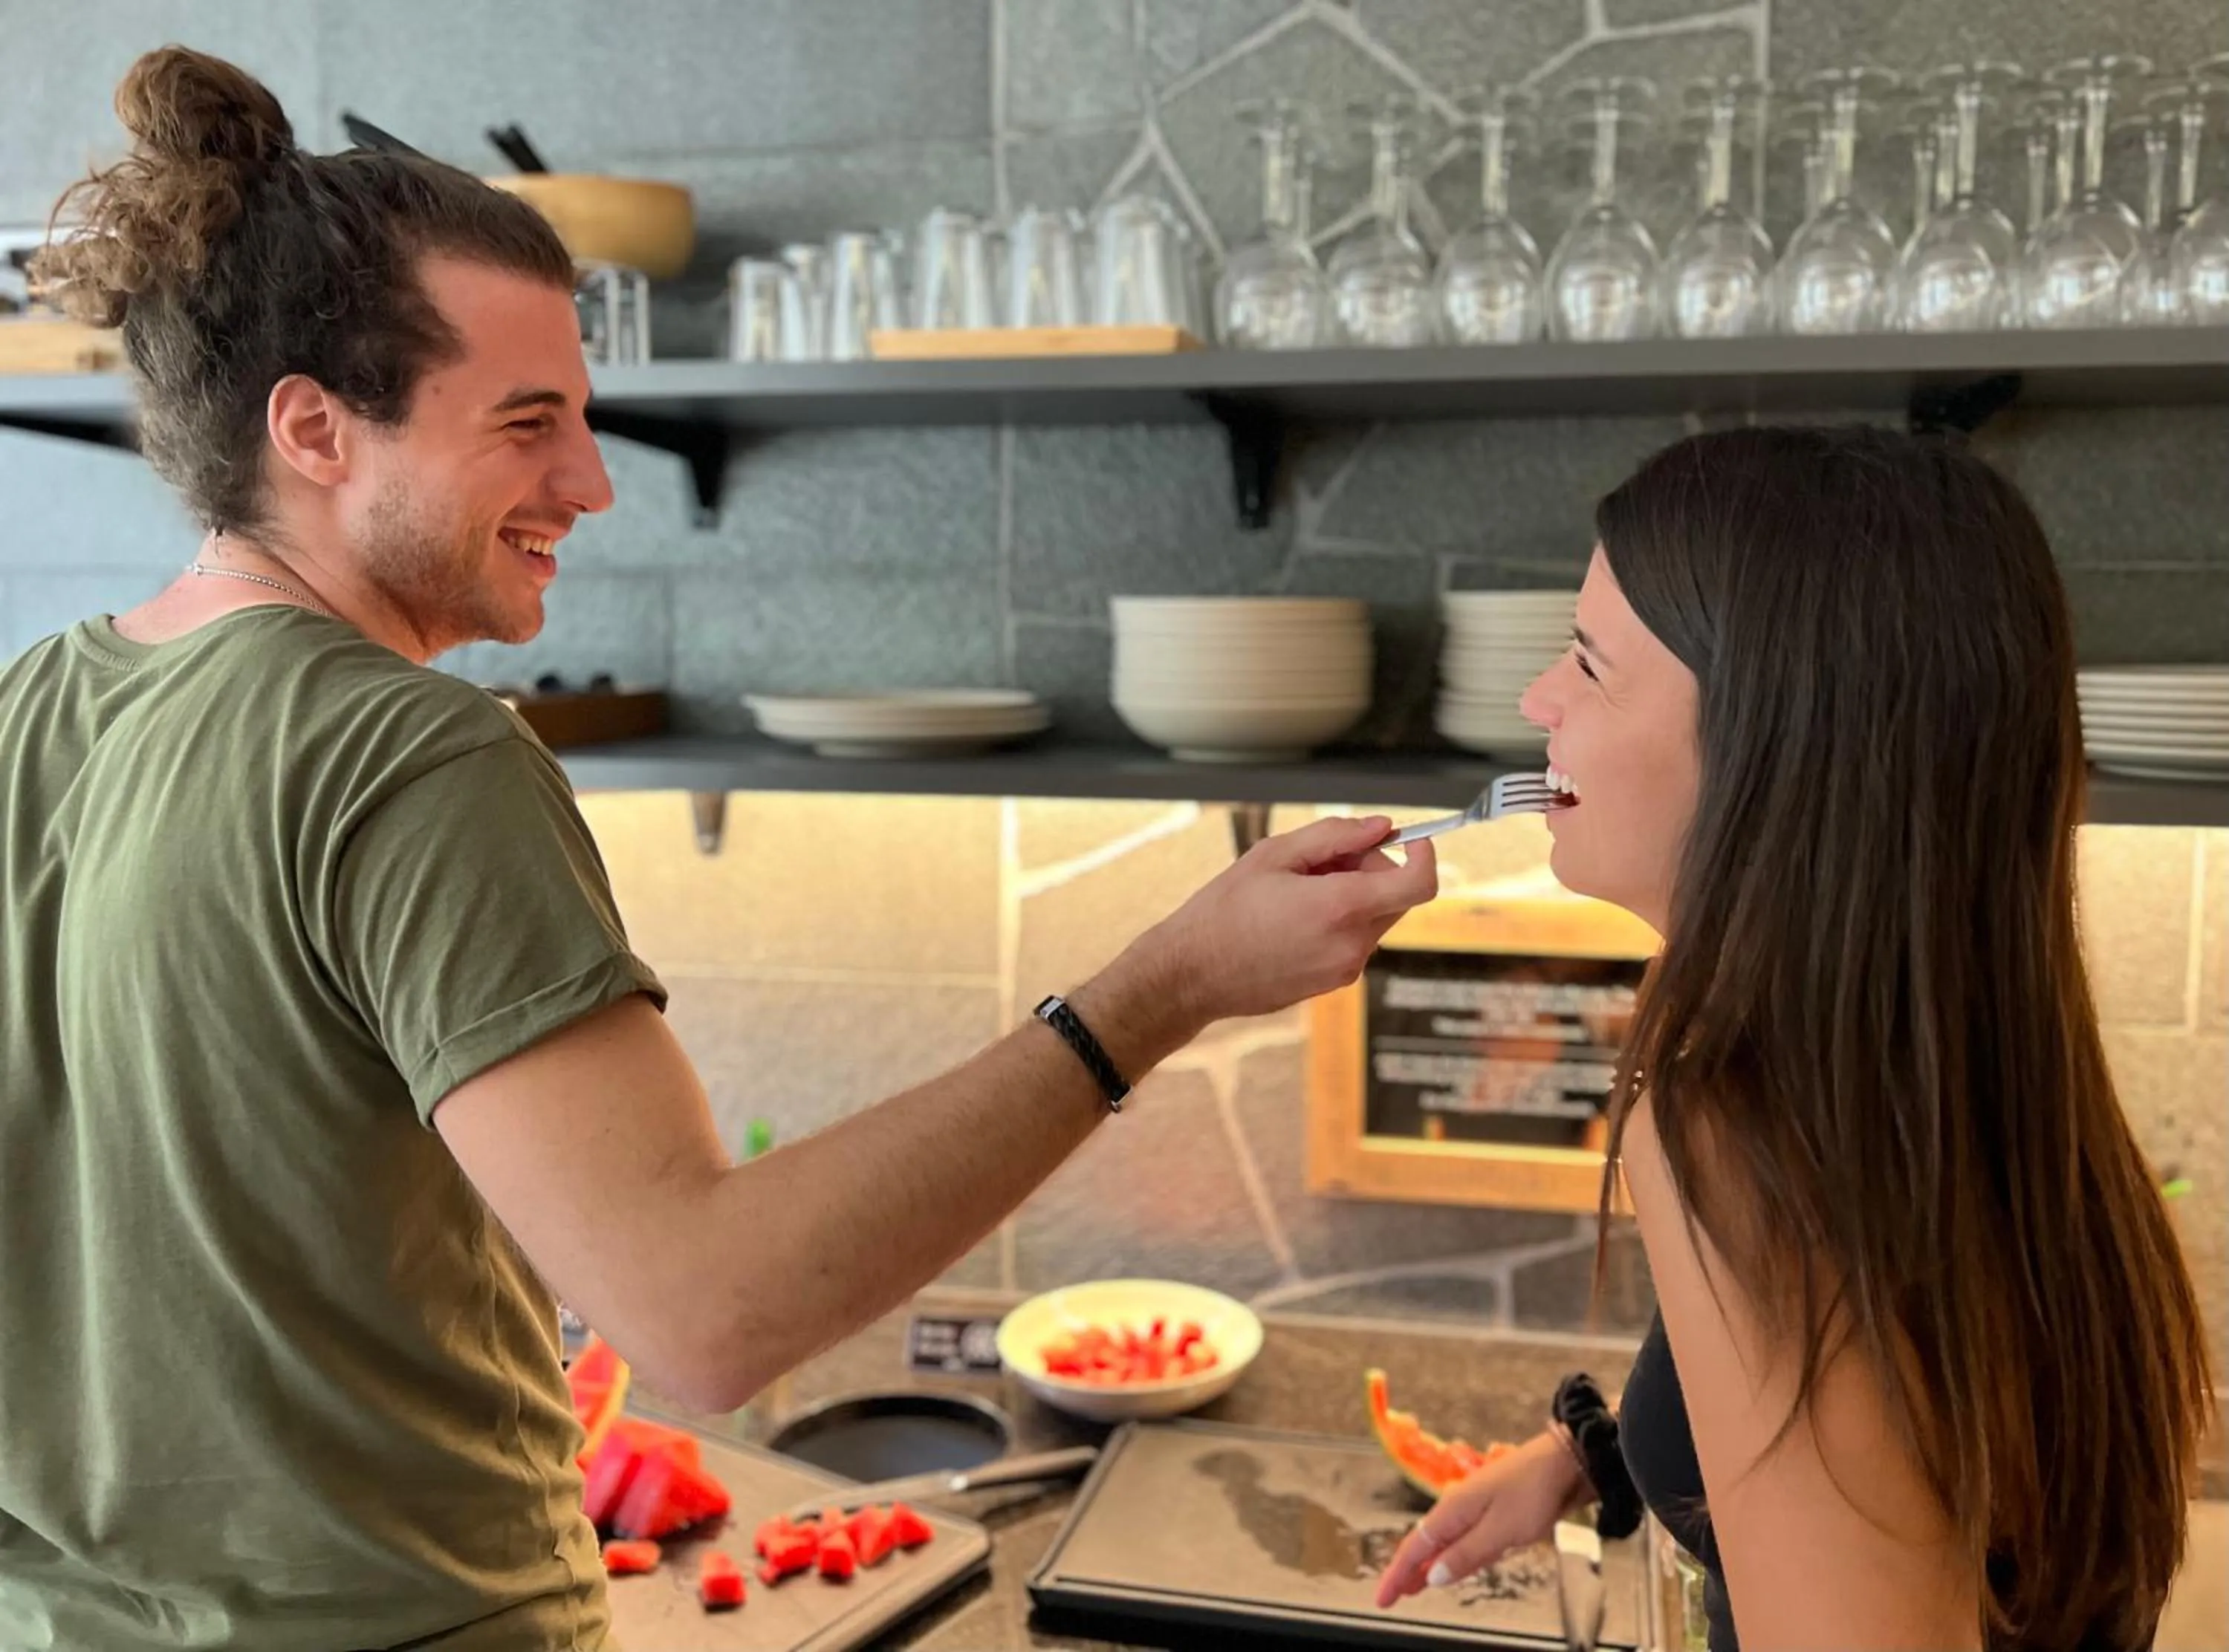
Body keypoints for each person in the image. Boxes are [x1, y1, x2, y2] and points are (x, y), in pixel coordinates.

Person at [0, 47, 1439, 1650]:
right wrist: (1166, 985)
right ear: (317, 430)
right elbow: (709, 1307)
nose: (593, 481)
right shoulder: (407, 755)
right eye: (528, 423)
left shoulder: (29, 711)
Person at [1373, 425, 2213, 1650]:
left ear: (1774, 741)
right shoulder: (1930, 1066)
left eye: (1591, 665)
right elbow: (1887, 1409)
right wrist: (1598, 1454)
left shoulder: (1734, 1125)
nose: (1537, 699)